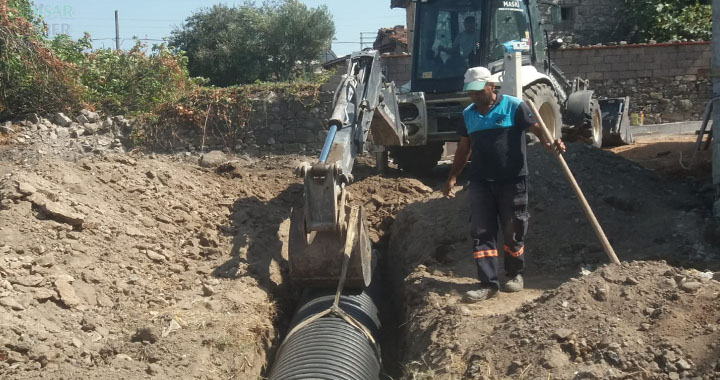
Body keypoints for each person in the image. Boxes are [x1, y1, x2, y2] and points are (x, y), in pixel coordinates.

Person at [442, 67, 566, 303]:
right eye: (470, 92)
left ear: (491, 86)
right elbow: (463, 148)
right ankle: (488, 283)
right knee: (482, 232)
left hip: (512, 179)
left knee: (513, 229)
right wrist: (452, 177)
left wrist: (551, 144)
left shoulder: (513, 106)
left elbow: (538, 130)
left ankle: (514, 273)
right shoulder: (469, 114)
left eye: (478, 90)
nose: (474, 96)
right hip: (480, 181)